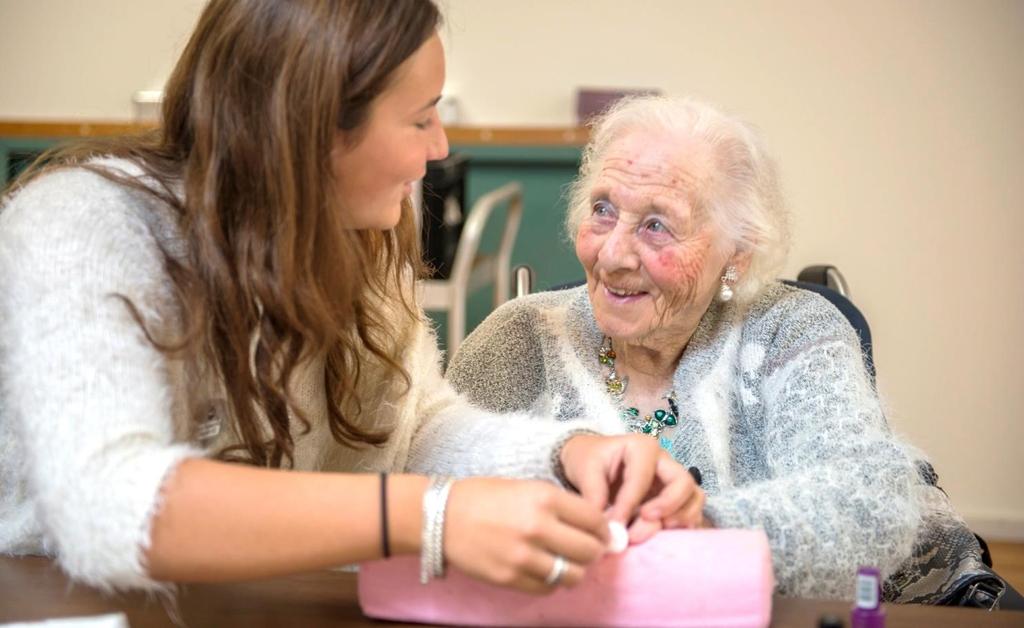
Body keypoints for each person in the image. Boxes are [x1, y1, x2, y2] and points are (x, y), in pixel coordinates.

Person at [0, 0, 705, 595]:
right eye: (422, 117)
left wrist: (570, 455)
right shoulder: (81, 224)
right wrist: (431, 514)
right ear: (315, 130)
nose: (440, 147)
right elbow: (108, 504)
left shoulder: (364, 233)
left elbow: (414, 426)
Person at [447, 95, 1016, 606]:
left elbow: (869, 506)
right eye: (602, 210)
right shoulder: (518, 337)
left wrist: (706, 523)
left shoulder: (790, 331)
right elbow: (428, 498)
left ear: (736, 255)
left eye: (656, 225)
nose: (613, 254)